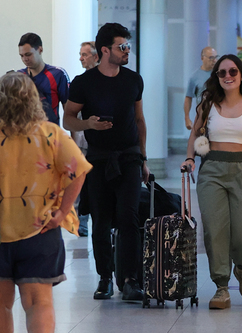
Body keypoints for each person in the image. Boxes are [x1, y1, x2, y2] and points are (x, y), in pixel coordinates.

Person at [63, 23, 149, 301]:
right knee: (100, 221)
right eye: (122, 47)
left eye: (127, 46)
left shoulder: (133, 79)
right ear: (104, 50)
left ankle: (131, 279)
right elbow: (68, 119)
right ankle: (104, 278)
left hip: (130, 158)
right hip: (98, 160)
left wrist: (144, 158)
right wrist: (87, 123)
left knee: (129, 217)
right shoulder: (83, 83)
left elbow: (139, 120)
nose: (127, 51)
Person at [0, 72, 91, 333]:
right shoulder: (50, 133)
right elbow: (79, 170)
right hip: (40, 229)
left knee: (1, 305)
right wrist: (63, 212)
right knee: (38, 303)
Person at [181, 54, 242, 309]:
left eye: (232, 72)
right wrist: (189, 158)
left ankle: (241, 267)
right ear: (216, 78)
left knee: (241, 233)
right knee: (214, 230)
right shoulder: (208, 102)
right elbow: (194, 135)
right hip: (212, 171)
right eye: (222, 73)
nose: (227, 76)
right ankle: (221, 287)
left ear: (241, 75)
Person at [73, 41, 99, 237]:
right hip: (83, 143)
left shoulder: (106, 83)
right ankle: (81, 220)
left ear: (96, 56)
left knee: (99, 184)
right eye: (80, 54)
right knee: (81, 182)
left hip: (102, 144)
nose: (81, 58)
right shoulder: (79, 83)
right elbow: (71, 117)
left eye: (84, 54)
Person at [18, 32, 70, 126]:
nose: (25, 59)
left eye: (28, 54)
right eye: (22, 56)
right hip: (25, 134)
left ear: (40, 49)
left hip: (50, 133)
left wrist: (73, 139)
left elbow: (69, 112)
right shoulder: (19, 76)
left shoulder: (58, 74)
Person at [184, 46, 218, 130]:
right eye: (211, 57)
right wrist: (187, 118)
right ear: (202, 58)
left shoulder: (220, 74)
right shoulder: (194, 77)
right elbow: (188, 98)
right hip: (203, 114)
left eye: (216, 57)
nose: (214, 60)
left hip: (219, 114)